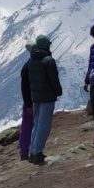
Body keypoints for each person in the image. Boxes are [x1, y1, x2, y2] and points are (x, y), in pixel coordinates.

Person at [28, 35, 62, 165]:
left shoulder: (31, 60)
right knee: (44, 125)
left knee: (36, 123)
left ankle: (32, 151)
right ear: (46, 45)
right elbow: (54, 79)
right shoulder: (48, 60)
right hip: (47, 97)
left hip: (35, 97)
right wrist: (58, 91)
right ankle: (38, 153)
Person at [19, 40, 36, 161]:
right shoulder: (30, 66)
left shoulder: (27, 65)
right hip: (32, 101)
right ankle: (27, 151)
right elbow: (25, 88)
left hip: (29, 102)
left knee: (27, 126)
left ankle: (25, 151)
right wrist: (29, 104)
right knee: (30, 126)